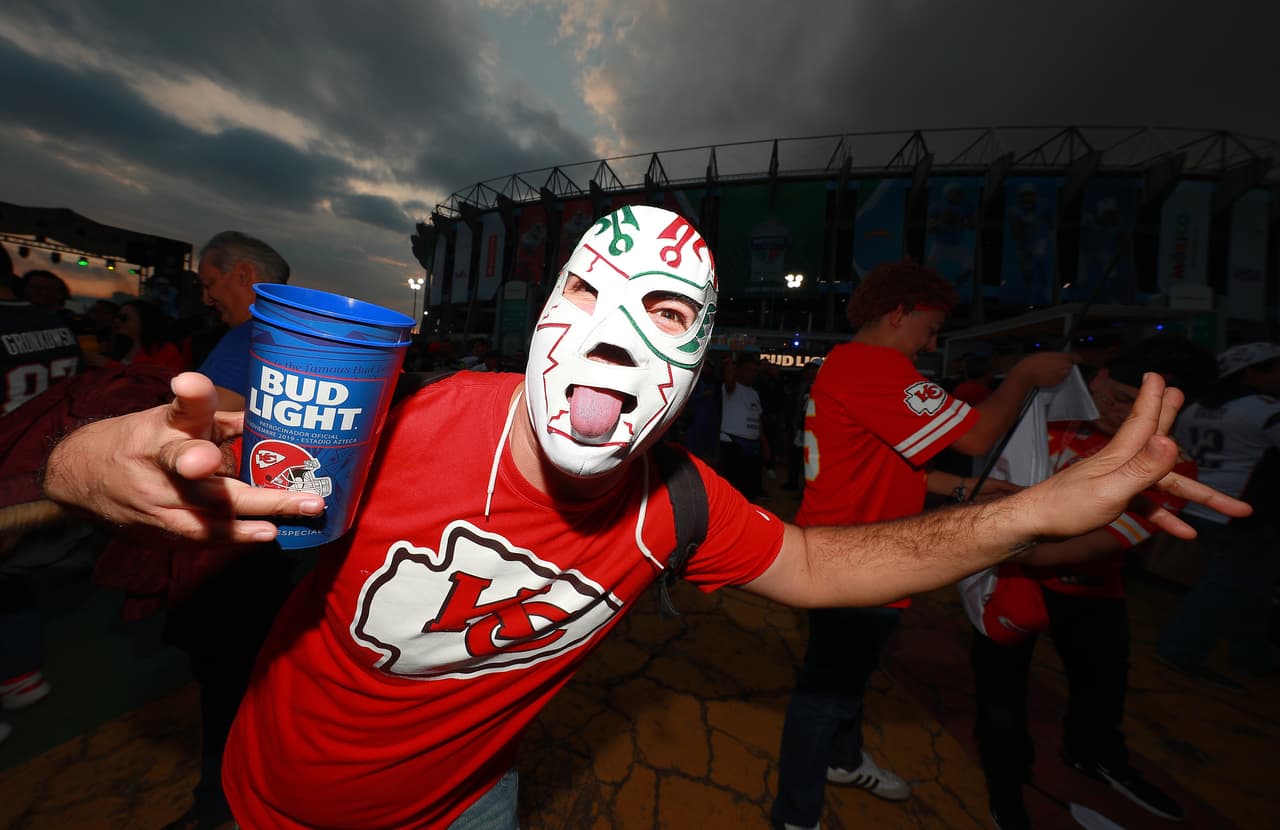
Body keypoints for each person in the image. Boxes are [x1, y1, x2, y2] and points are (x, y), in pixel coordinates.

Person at [38, 206, 1248, 830]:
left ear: (692, 368)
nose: (619, 335)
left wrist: (1037, 508)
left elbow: (818, 563)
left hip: (470, 803)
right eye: (591, 294)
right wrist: (84, 460)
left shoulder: (677, 502)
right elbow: (209, 444)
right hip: (269, 798)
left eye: (666, 317)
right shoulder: (409, 423)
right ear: (543, 322)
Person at [772, 260, 1077, 830]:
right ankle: (795, 817)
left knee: (849, 675)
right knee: (825, 691)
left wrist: (961, 487)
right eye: (930, 328)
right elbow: (978, 435)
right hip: (856, 557)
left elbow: (884, 461)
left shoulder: (849, 362)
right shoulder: (877, 366)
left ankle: (842, 759)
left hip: (852, 545)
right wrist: (1022, 376)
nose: (932, 343)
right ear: (899, 313)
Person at [970, 335, 1217, 829]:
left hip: (1090, 590)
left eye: (1144, 412)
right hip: (1007, 583)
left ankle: (1095, 756)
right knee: (1000, 694)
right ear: (1099, 378)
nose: (1123, 414)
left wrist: (978, 538)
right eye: (1119, 397)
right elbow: (975, 467)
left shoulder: (1168, 467)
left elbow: (1082, 548)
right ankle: (1007, 778)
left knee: (1101, 688)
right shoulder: (1040, 421)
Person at [1158, 342, 1280, 684]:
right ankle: (1180, 650)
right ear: (1253, 372)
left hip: (1200, 505)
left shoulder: (1196, 408)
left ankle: (1250, 654)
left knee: (1251, 585)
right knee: (1226, 585)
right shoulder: (1265, 409)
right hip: (1239, 512)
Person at [194, 230, 291, 410]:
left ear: (243, 275)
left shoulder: (250, 337)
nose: (206, 299)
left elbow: (202, 418)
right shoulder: (292, 339)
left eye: (209, 284)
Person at [719, 353, 769, 502]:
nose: (751, 374)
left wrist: (764, 444)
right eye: (748, 370)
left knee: (750, 490)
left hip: (752, 446)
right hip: (732, 444)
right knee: (733, 490)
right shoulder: (730, 387)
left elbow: (758, 421)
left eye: (754, 371)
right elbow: (729, 377)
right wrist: (731, 361)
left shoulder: (754, 394)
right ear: (738, 370)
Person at [86, 299, 187, 371]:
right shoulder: (121, 345)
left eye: (124, 318)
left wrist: (107, 364)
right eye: (117, 317)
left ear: (144, 321)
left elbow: (154, 378)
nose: (117, 321)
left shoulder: (166, 349)